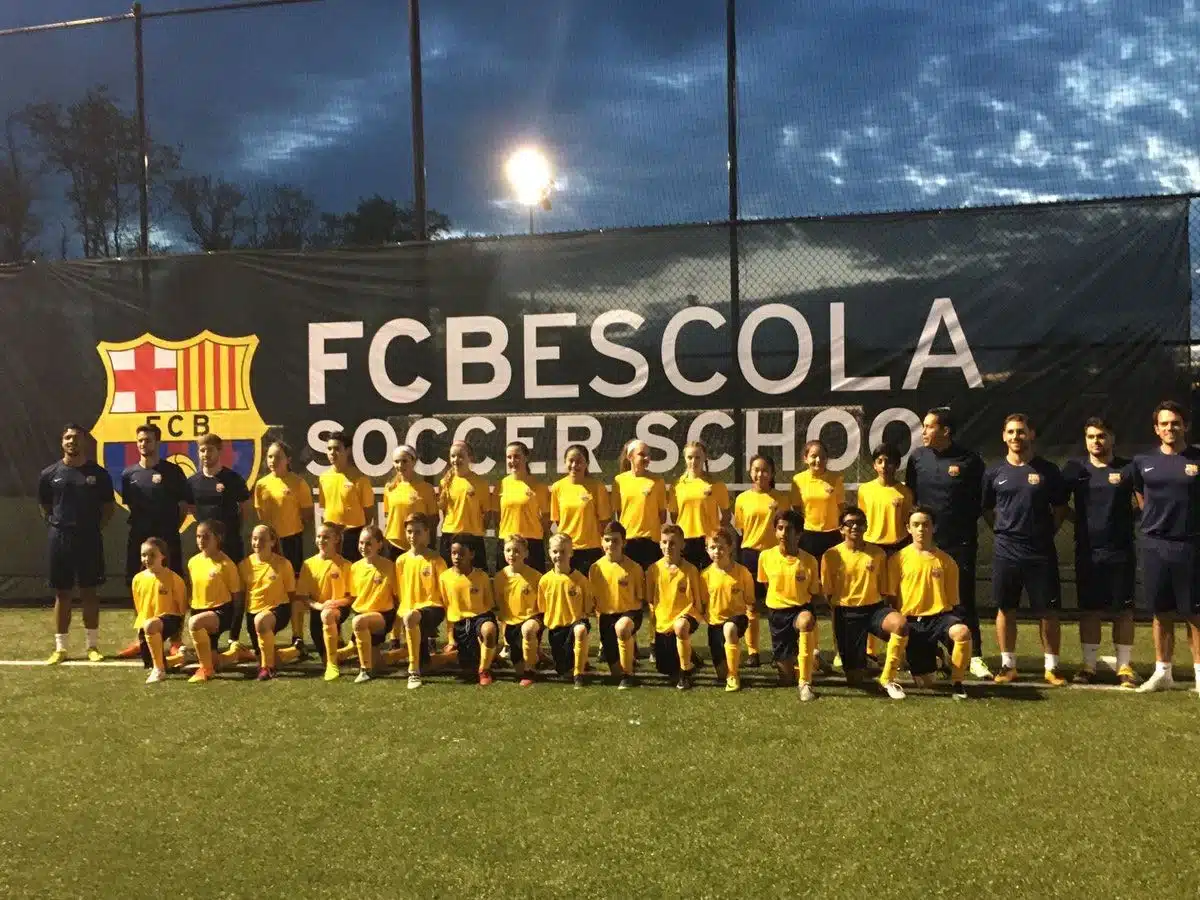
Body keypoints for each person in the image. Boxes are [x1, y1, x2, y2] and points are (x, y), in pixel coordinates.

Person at [982, 413, 1069, 686]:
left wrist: (1044, 533)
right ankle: (1008, 666)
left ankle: (1052, 667)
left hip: (1040, 550)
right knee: (1005, 608)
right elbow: (987, 509)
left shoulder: (1048, 470)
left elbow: (1060, 509)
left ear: (1031, 434)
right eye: (1010, 432)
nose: (1015, 437)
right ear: (1003, 436)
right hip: (1006, 549)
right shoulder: (994, 472)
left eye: (1021, 431)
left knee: (1048, 610)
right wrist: (1003, 531)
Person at [903, 407, 991, 679]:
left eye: (929, 426)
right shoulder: (917, 458)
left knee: (962, 599)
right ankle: (931, 656)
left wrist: (959, 525)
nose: (924, 431)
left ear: (946, 431)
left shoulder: (970, 460)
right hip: (925, 547)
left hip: (959, 544)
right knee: (923, 602)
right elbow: (913, 497)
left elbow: (980, 500)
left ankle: (973, 656)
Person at [1061, 418, 1138, 688]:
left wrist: (1125, 520)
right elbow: (1058, 503)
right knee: (1090, 610)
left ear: (1112, 438)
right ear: (1085, 440)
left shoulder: (1129, 468)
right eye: (1091, 436)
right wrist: (1080, 521)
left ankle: (1124, 666)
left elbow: (1143, 502)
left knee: (1123, 611)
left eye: (1102, 436)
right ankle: (1089, 666)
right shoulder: (1075, 469)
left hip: (1121, 551)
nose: (1096, 441)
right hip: (1088, 551)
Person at [1133, 401, 1200, 694]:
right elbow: (1141, 497)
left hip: (1191, 545)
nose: (1170, 428)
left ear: (1185, 426)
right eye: (1164, 424)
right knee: (1161, 612)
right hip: (1154, 545)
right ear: (1156, 429)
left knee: (1194, 613)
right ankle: (1163, 672)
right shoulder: (1142, 462)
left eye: (1175, 423)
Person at [40, 424, 114, 664]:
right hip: (60, 538)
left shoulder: (99, 474)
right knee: (62, 593)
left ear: (85, 441)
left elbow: (108, 508)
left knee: (89, 591)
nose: (72, 441)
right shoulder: (49, 474)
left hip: (89, 538)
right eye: (67, 437)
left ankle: (92, 646)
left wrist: (91, 528)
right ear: (62, 442)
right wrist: (59, 525)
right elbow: (45, 507)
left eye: (76, 437)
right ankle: (61, 648)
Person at [116, 423, 191, 659]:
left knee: (175, 587)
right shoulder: (128, 475)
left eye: (148, 440)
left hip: (168, 537)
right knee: (139, 586)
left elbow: (183, 506)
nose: (143, 444)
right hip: (139, 539)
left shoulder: (173, 471)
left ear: (157, 443)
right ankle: (143, 638)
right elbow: (131, 506)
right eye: (140, 440)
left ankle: (176, 640)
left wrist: (169, 531)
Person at [821, 507, 909, 700]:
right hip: (847, 613)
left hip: (873, 610)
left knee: (900, 624)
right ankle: (860, 661)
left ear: (866, 527)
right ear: (841, 529)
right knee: (854, 679)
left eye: (860, 523)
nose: (855, 527)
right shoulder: (830, 555)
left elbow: (884, 590)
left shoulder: (877, 553)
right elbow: (828, 593)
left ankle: (887, 679)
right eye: (849, 523)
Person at [888, 507, 972, 700]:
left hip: (939, 619)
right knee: (926, 683)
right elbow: (891, 598)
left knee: (962, 632)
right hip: (912, 623)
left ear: (934, 528)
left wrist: (949, 622)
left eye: (926, 525)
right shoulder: (897, 559)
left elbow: (952, 601)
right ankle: (936, 657)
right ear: (908, 528)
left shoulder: (946, 561)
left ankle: (958, 683)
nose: (921, 529)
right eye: (916, 525)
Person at [855, 444, 913, 663]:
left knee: (897, 597)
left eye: (889, 461)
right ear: (874, 465)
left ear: (897, 465)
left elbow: (908, 524)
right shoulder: (865, 490)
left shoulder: (905, 492)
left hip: (897, 549)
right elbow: (861, 520)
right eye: (880, 461)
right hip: (872, 549)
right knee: (872, 597)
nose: (884, 466)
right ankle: (870, 650)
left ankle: (900, 649)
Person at [756, 509, 821, 701]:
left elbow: (813, 592)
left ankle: (805, 683)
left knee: (806, 621)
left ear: (799, 533)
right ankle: (811, 660)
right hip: (777, 615)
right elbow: (767, 585)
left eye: (789, 529)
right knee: (786, 678)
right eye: (780, 528)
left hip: (800, 610)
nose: (783, 533)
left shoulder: (809, 560)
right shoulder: (765, 557)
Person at [732, 454, 787, 668]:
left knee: (776, 605)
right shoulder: (742, 499)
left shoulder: (781, 499)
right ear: (750, 472)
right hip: (750, 555)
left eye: (765, 470)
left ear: (772, 473)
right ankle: (753, 652)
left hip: (775, 556)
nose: (760, 474)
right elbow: (742, 529)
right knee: (751, 606)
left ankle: (779, 652)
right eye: (756, 469)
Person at [238, 524, 302, 680]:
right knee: (266, 654)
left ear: (272, 542)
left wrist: (297, 633)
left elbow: (293, 597)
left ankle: (268, 669)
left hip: (278, 609)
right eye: (254, 539)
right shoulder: (244, 565)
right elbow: (242, 598)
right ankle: (296, 651)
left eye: (262, 539)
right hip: (253, 614)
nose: (257, 543)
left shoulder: (283, 564)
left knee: (261, 621)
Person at [185, 520, 245, 683]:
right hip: (199, 610)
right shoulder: (193, 562)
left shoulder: (226, 564)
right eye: (198, 536)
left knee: (195, 623)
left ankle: (206, 670)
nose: (201, 540)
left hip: (221, 612)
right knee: (215, 661)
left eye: (206, 537)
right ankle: (235, 653)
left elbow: (237, 598)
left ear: (218, 538)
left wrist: (234, 629)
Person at [588, 521, 645, 689]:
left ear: (624, 542)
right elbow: (595, 600)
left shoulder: (634, 568)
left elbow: (640, 600)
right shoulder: (595, 568)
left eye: (615, 540)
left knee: (622, 628)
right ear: (601, 542)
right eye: (607, 540)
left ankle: (629, 675)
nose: (611, 544)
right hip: (607, 616)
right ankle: (625, 664)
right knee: (615, 672)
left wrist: (630, 623)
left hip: (630, 613)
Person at [646, 524, 704, 690]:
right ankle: (691, 655)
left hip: (686, 616)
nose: (668, 547)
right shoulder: (653, 570)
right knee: (665, 669)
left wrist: (695, 617)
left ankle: (685, 673)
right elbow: (650, 600)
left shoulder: (691, 570)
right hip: (664, 621)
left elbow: (698, 601)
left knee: (680, 627)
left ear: (682, 545)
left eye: (672, 543)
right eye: (664, 542)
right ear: (659, 544)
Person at [395, 513, 450, 689]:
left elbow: (446, 595)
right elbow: (401, 591)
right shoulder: (401, 561)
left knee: (412, 618)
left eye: (417, 532)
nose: (413, 536)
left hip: (432, 608)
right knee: (425, 661)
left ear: (427, 532)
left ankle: (413, 672)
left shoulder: (437, 560)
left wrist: (451, 633)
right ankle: (446, 658)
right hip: (410, 613)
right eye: (409, 531)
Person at [296, 521, 354, 681]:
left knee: (328, 615)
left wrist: (334, 604)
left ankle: (333, 664)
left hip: (338, 608)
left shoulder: (346, 565)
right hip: (318, 608)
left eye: (326, 537)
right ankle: (346, 649)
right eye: (319, 537)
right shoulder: (308, 564)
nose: (321, 540)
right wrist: (319, 606)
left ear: (336, 539)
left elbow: (351, 597)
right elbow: (304, 596)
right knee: (324, 655)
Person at [439, 533, 499, 685]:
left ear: (471, 554)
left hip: (480, 619)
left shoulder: (482, 576)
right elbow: (447, 610)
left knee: (489, 629)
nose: (456, 557)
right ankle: (489, 656)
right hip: (459, 626)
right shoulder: (444, 578)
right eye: (453, 553)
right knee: (465, 667)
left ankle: (484, 670)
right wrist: (451, 639)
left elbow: (489, 607)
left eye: (461, 554)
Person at [700, 528, 754, 692]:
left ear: (730, 548)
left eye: (721, 547)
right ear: (707, 550)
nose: (717, 551)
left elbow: (750, 601)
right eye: (713, 547)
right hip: (715, 624)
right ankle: (729, 666)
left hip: (736, 619)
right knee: (720, 674)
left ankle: (733, 675)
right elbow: (703, 603)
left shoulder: (742, 572)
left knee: (729, 628)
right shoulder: (704, 576)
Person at [538, 533, 594, 688]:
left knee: (580, 630)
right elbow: (542, 608)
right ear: (549, 553)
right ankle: (578, 661)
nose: (558, 555)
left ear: (571, 553)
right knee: (562, 671)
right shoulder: (544, 581)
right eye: (555, 551)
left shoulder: (580, 580)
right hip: (556, 628)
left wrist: (582, 618)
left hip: (576, 623)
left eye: (563, 551)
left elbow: (588, 608)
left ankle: (579, 673)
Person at [252, 440, 314, 576]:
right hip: (269, 541)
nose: (273, 461)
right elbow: (260, 513)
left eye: (278, 457)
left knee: (292, 576)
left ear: (288, 460)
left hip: (292, 540)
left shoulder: (298, 483)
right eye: (270, 457)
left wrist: (290, 528)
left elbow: (307, 514)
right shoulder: (261, 484)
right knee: (271, 576)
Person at [347, 526, 400, 683]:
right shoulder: (354, 567)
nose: (364, 547)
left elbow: (397, 597)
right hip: (362, 615)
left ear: (379, 544)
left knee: (358, 622)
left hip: (382, 616)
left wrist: (397, 627)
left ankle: (365, 670)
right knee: (378, 663)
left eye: (369, 543)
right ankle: (405, 653)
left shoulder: (389, 566)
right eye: (361, 543)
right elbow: (353, 596)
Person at [131, 537, 187, 684]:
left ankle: (159, 671)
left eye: (152, 555)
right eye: (143, 555)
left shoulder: (174, 579)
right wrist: (140, 630)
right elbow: (139, 608)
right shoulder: (137, 579)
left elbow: (181, 609)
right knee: (150, 662)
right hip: (147, 625)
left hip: (169, 620)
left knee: (151, 625)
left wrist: (177, 637)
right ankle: (178, 659)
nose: (147, 559)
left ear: (163, 556)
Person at [550, 443, 612, 575]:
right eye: (571, 461)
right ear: (565, 462)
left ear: (587, 464)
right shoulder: (557, 487)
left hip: (591, 549)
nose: (574, 465)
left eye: (579, 461)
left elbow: (604, 522)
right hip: (565, 550)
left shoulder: (597, 487)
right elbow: (558, 520)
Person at [669, 440, 730, 571]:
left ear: (704, 458)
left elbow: (726, 516)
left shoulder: (716, 485)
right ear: (685, 459)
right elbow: (674, 516)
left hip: (709, 542)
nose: (694, 461)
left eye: (698, 457)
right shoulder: (677, 486)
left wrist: (713, 531)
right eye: (690, 457)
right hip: (685, 541)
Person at [318, 430, 375, 563]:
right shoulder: (323, 477)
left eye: (337, 449)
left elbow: (368, 511)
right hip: (330, 536)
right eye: (329, 449)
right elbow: (325, 507)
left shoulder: (360, 478)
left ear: (347, 451)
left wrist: (355, 530)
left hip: (353, 535)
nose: (332, 453)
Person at [437, 440, 494, 571]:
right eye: (453, 456)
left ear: (470, 458)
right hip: (450, 535)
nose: (456, 459)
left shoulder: (480, 483)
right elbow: (444, 511)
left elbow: (487, 514)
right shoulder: (444, 482)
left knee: (477, 577)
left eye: (461, 456)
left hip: (473, 537)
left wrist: (476, 529)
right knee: (449, 577)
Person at [495, 534, 543, 686]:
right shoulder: (500, 577)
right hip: (512, 624)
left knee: (528, 630)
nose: (512, 554)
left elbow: (543, 604)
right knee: (518, 670)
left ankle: (530, 670)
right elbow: (499, 605)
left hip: (532, 619)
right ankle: (536, 658)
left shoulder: (536, 576)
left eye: (516, 551)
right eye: (508, 550)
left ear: (525, 553)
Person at [612, 439, 668, 570]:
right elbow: (619, 513)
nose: (646, 458)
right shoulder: (619, 481)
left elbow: (662, 515)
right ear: (630, 456)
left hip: (651, 543)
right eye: (642, 454)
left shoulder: (657, 481)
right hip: (627, 542)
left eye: (648, 455)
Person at [497, 441, 550, 572]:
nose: (512, 461)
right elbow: (497, 516)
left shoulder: (539, 486)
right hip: (507, 542)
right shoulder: (502, 484)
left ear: (526, 457)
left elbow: (546, 519)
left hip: (532, 544)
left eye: (516, 456)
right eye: (509, 457)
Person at [382, 444, 437, 561]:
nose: (400, 465)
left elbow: (433, 519)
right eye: (397, 461)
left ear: (414, 462)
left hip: (419, 547)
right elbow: (388, 517)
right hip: (394, 546)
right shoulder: (389, 488)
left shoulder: (427, 489)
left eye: (404, 461)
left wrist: (428, 544)